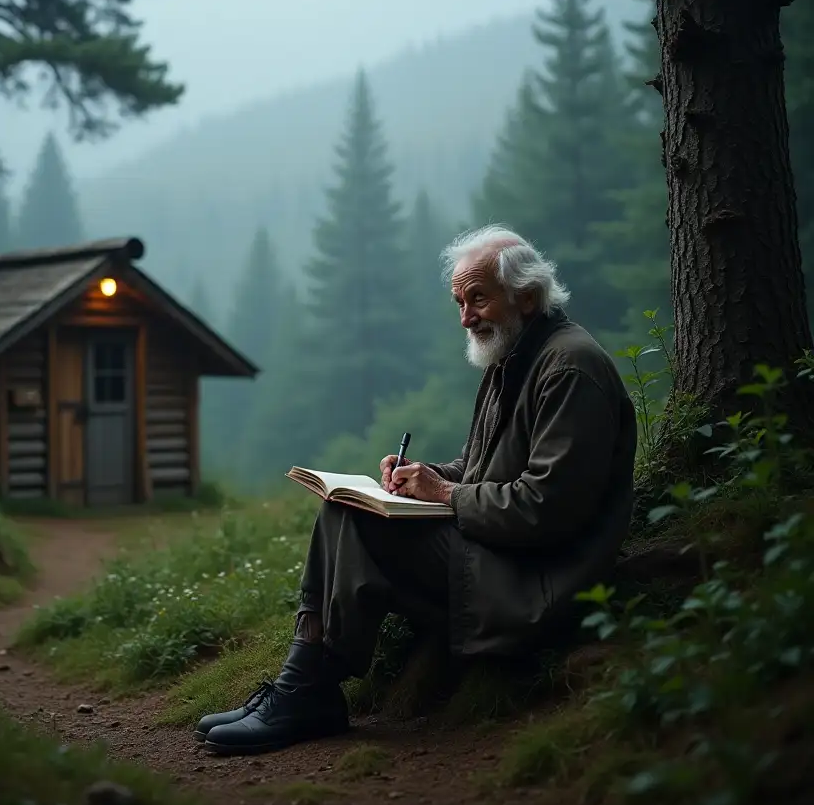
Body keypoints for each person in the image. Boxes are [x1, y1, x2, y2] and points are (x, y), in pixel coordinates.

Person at [196, 224, 637, 756]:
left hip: (535, 580)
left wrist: (444, 495)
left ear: (526, 295)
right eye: (459, 301)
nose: (466, 317)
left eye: (478, 298)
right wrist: (424, 476)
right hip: (498, 552)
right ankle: (302, 685)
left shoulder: (569, 367)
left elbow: (546, 510)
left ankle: (305, 690)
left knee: (357, 520)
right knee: (344, 507)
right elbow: (481, 471)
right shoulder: (514, 357)